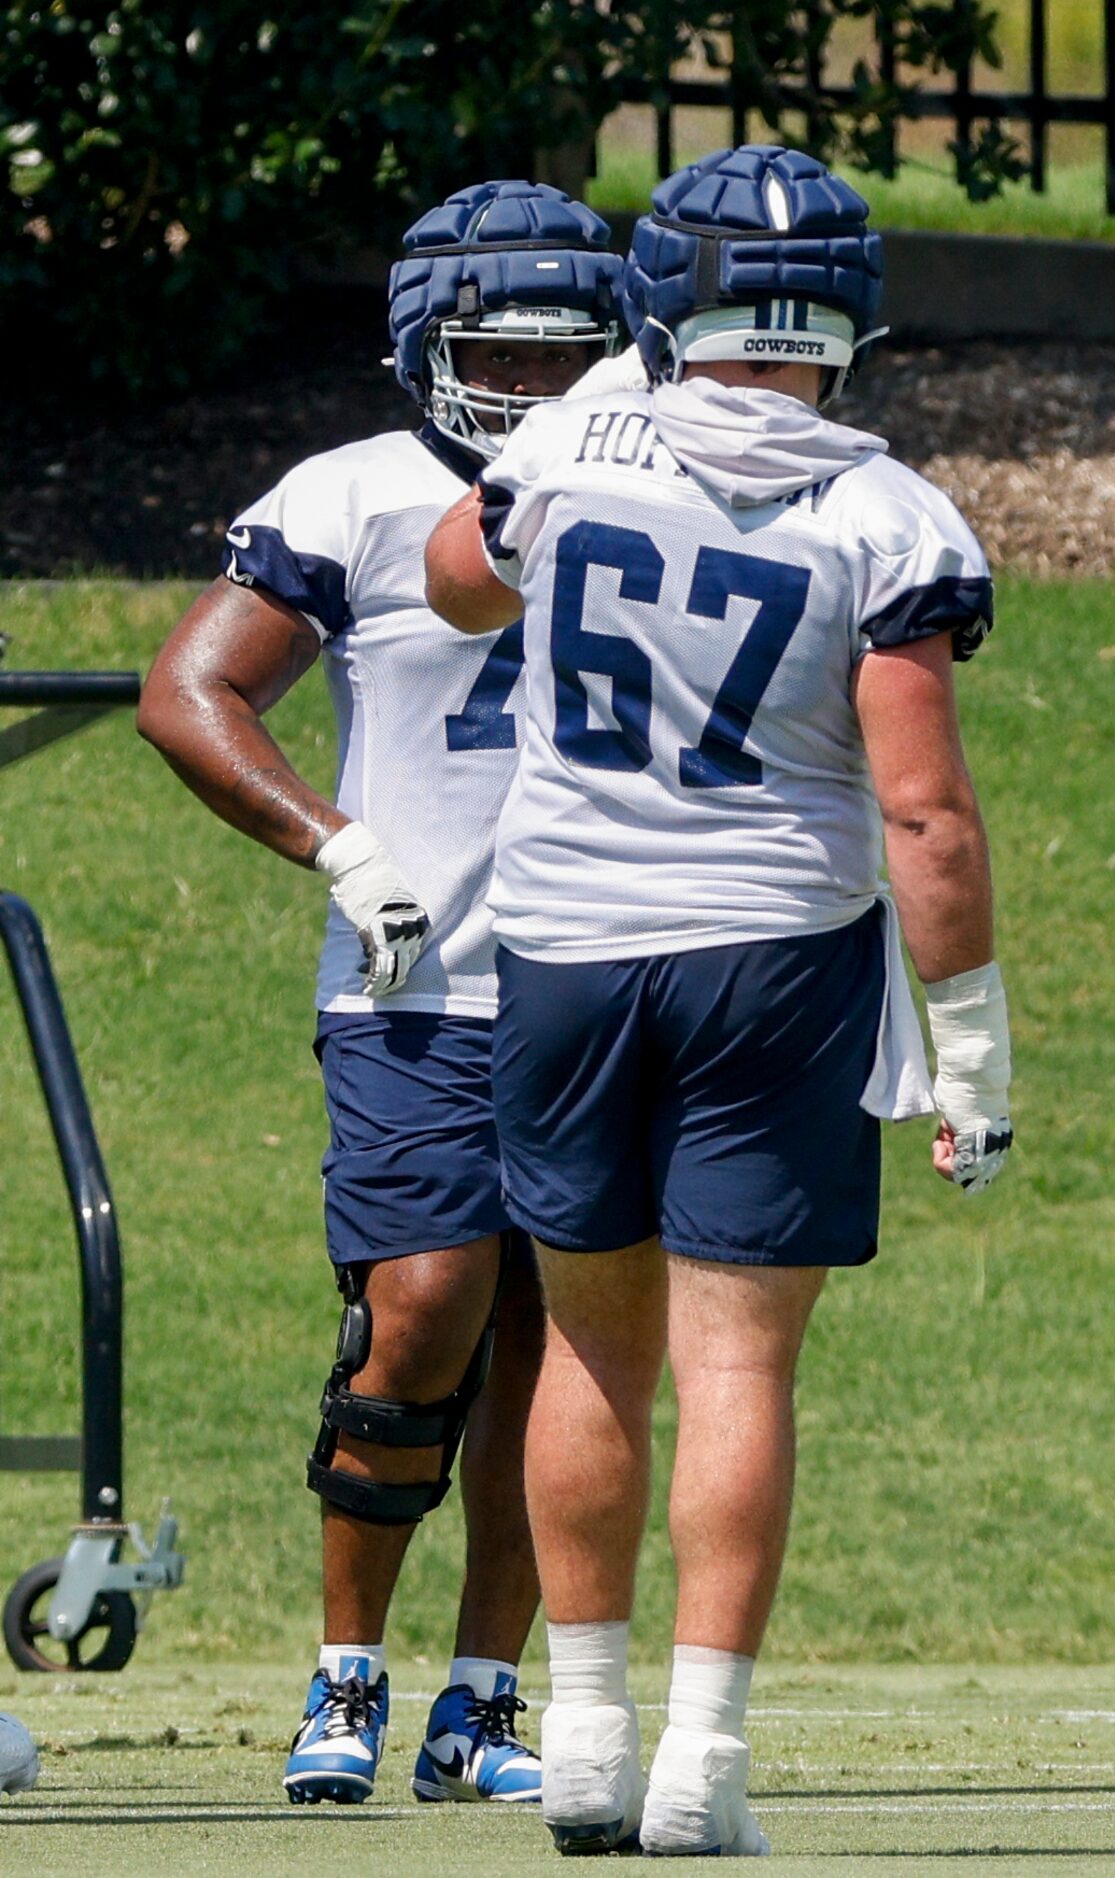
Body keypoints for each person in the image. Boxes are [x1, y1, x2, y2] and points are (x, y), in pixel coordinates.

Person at [421, 144, 1013, 1857]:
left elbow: (463, 582)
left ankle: (586, 1735)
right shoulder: (887, 510)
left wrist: (588, 424)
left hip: (564, 947)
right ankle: (702, 1759)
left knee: (593, 1355)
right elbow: (924, 814)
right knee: (737, 1360)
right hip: (776, 957)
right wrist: (968, 1046)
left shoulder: (569, 438)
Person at [138, 180, 624, 1807]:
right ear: (426, 342)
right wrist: (337, 846)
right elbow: (190, 688)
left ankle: (481, 1699)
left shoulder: (649, 487)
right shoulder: (348, 496)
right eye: (503, 352)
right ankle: (344, 1671)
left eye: (572, 360)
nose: (538, 392)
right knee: (421, 1314)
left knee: (564, 1350)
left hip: (608, 970)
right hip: (417, 982)